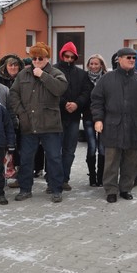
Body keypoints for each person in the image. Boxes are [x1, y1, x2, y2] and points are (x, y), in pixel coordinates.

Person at [90, 47, 137, 203]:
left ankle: (126, 188)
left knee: (131, 161)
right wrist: (98, 119)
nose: (132, 60)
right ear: (119, 59)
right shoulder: (107, 79)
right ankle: (111, 190)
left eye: (133, 58)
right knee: (111, 161)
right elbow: (97, 100)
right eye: (128, 57)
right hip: (113, 126)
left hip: (135, 127)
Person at [9, 42, 68, 203]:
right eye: (33, 58)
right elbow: (13, 94)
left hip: (50, 124)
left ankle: (56, 189)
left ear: (47, 58)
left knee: (54, 158)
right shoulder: (23, 74)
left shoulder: (55, 73)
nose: (36, 61)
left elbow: (60, 89)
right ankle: (25, 189)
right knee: (26, 159)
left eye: (40, 58)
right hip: (29, 124)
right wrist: (21, 113)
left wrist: (43, 75)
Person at [54, 42, 93, 191]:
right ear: (62, 55)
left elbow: (86, 92)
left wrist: (77, 104)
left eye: (72, 57)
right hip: (57, 117)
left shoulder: (81, 74)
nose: (69, 59)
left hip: (74, 117)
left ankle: (64, 179)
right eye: (66, 56)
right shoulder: (54, 71)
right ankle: (53, 180)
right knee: (54, 151)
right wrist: (64, 103)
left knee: (69, 151)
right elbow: (51, 91)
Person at [0, 54, 25, 187]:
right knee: (5, 148)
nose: (13, 67)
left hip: (22, 117)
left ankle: (20, 176)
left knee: (21, 148)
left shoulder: (24, 78)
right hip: (3, 118)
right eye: (10, 65)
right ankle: (3, 176)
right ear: (5, 67)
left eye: (15, 65)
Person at [82, 54, 108, 187]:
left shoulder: (107, 78)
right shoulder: (84, 78)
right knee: (92, 147)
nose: (93, 66)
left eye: (96, 64)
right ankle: (92, 177)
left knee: (102, 148)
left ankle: (101, 177)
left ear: (101, 65)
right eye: (91, 64)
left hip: (104, 118)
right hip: (88, 117)